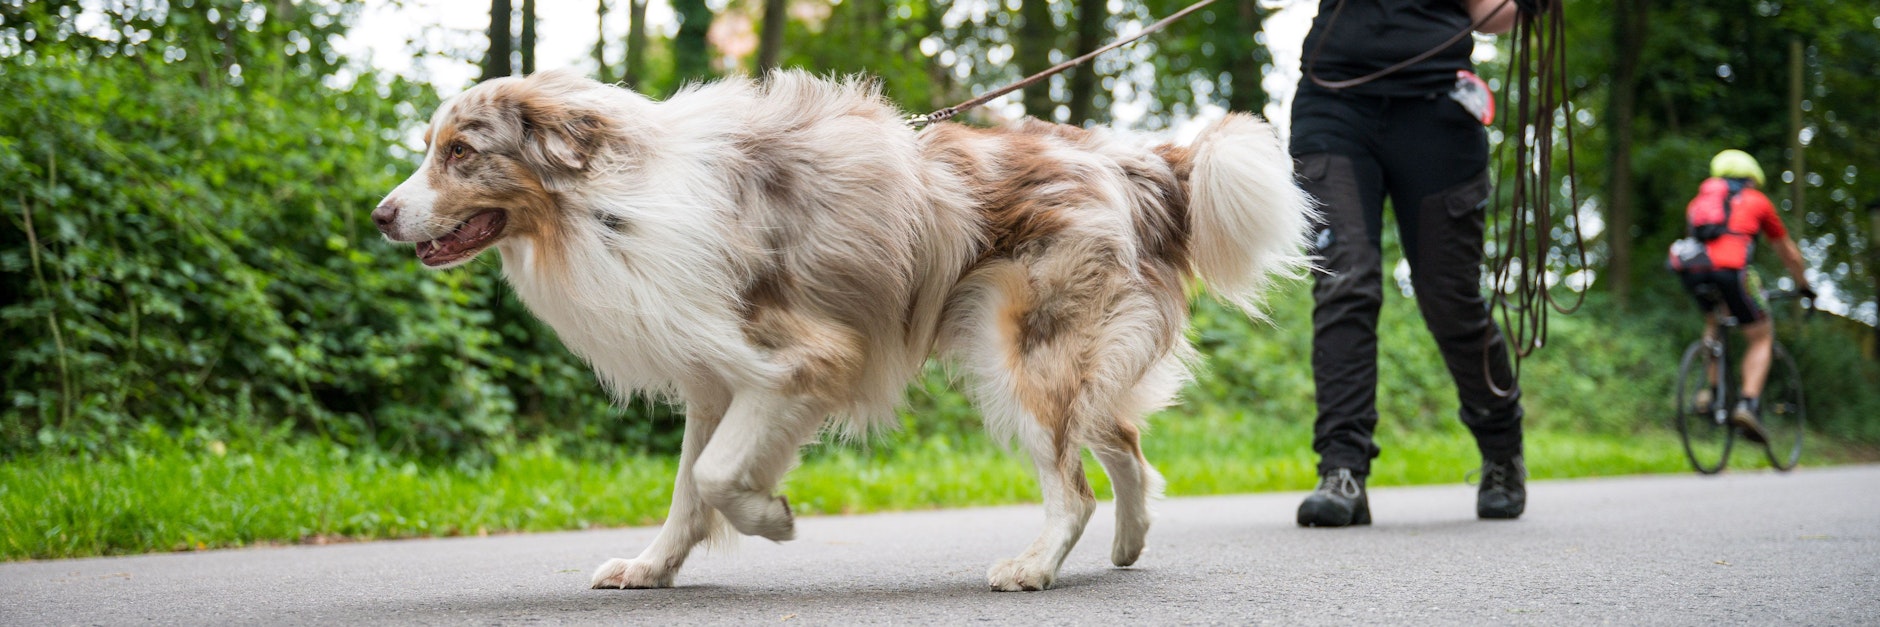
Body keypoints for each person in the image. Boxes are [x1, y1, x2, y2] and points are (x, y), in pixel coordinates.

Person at [1289, 0, 1535, 527]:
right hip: (1333, 104)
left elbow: (1490, 13)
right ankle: (1342, 470)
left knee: (1450, 302)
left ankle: (1501, 448)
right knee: (1344, 282)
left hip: (1437, 112)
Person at [1671, 149, 1814, 442]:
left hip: (1691, 270)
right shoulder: (1756, 201)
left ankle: (1709, 395)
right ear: (1751, 178)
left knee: (1714, 319)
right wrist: (1805, 286)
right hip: (1733, 270)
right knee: (1761, 335)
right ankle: (1747, 404)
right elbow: (1787, 251)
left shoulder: (1697, 203)